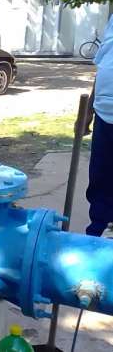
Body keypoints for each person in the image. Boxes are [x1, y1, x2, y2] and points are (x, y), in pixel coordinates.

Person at [85, 15, 113, 237]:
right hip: (104, 113)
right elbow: (103, 64)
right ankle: (96, 237)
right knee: (99, 181)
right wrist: (88, 111)